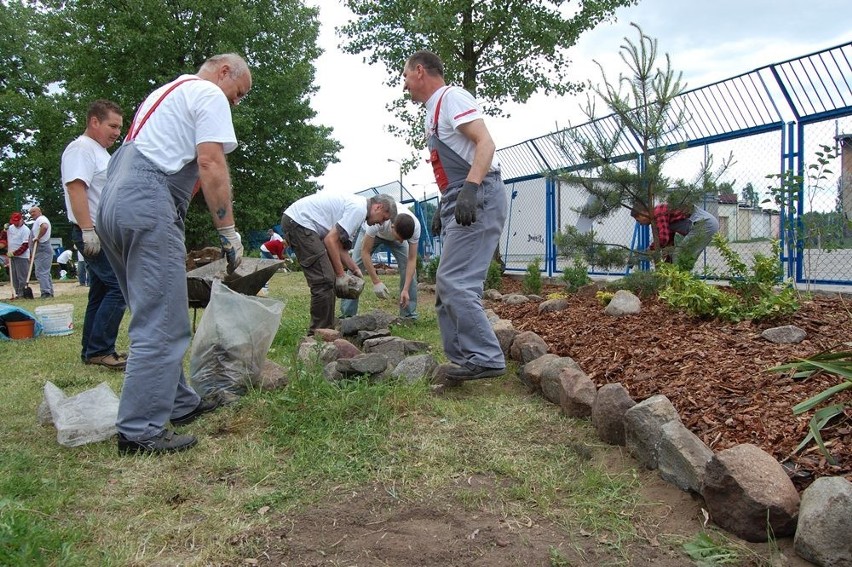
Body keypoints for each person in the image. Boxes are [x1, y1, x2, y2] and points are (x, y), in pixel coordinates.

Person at [97, 53, 251, 455]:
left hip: (115, 201)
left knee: (153, 313)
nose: (235, 103)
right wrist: (228, 230)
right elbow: (210, 162)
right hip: (146, 200)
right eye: (238, 94)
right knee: (164, 322)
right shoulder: (208, 93)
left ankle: (180, 403)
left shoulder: (164, 93)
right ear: (223, 73)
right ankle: (139, 430)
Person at [401, 50, 508, 381]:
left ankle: (486, 358)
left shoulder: (451, 97)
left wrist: (470, 189)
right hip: (456, 197)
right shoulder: (432, 113)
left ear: (420, 71)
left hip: (479, 194)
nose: (404, 84)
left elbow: (485, 144)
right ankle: (464, 359)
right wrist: (444, 201)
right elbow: (451, 161)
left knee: (456, 282)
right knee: (446, 284)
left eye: (405, 76)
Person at [61, 99, 128, 370]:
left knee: (100, 291)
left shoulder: (101, 152)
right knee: (119, 287)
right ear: (94, 121)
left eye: (119, 127)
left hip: (105, 231)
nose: (116, 132)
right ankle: (100, 349)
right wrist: (87, 230)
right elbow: (76, 189)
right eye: (112, 126)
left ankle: (92, 350)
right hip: (92, 230)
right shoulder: (80, 149)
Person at [281, 192, 396, 333]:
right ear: (378, 207)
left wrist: (355, 270)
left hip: (299, 221)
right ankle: (319, 335)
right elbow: (330, 241)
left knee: (328, 279)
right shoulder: (359, 209)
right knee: (324, 280)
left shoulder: (359, 211)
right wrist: (341, 275)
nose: (382, 223)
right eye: (384, 218)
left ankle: (326, 330)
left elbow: (340, 248)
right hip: (299, 222)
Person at [339, 207, 420, 319]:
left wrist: (405, 289)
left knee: (410, 270)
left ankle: (409, 315)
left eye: (404, 239)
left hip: (394, 231)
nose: (401, 242)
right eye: (400, 238)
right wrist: (376, 282)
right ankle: (347, 315)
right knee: (355, 266)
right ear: (392, 227)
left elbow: (412, 259)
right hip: (372, 233)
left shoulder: (415, 227)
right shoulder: (377, 221)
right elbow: (365, 253)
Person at [630, 203, 719, 269]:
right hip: (705, 223)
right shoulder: (660, 216)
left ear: (642, 213)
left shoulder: (658, 212)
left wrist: (646, 252)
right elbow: (669, 242)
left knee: (681, 256)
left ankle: (678, 288)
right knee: (678, 257)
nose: (640, 224)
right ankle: (677, 285)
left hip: (704, 223)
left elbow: (663, 239)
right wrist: (667, 262)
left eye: (638, 220)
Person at [27, 206, 54, 298]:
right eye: (30, 213)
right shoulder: (38, 221)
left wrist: (38, 237)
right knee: (44, 272)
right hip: (40, 249)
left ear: (39, 211)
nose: (32, 214)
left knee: (41, 272)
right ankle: (49, 291)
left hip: (42, 248)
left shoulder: (41, 219)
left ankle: (46, 293)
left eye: (33, 211)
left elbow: (45, 226)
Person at [6, 212, 31, 299]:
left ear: (21, 220)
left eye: (17, 221)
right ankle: (17, 292)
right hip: (11, 256)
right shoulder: (10, 228)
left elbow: (25, 245)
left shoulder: (25, 230)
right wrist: (4, 230)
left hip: (22, 257)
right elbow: (3, 237)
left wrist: (15, 253)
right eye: (14, 221)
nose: (15, 223)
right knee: (14, 276)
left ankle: (22, 293)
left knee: (22, 276)